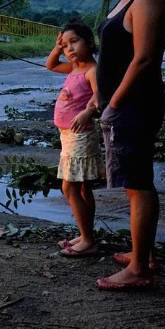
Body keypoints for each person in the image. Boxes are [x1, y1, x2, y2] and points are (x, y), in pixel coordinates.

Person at [95, 0, 165, 291]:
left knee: (139, 184)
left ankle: (140, 268)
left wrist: (116, 102)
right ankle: (144, 252)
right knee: (132, 182)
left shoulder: (147, 1)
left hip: (135, 106)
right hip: (121, 107)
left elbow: (143, 61)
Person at [46, 21, 104, 256]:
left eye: (74, 42)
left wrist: (88, 111)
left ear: (89, 43)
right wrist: (57, 48)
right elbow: (50, 65)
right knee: (81, 189)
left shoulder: (92, 70)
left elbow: (100, 96)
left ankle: (88, 240)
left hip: (80, 136)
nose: (69, 49)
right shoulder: (73, 68)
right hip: (67, 136)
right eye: (65, 44)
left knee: (69, 187)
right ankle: (85, 233)